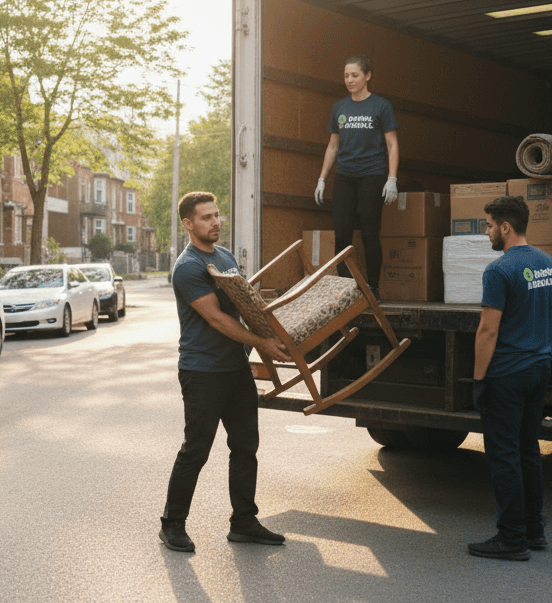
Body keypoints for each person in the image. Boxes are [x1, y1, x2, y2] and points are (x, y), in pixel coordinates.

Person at [159, 191, 294, 553]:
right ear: (188, 224)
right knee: (197, 449)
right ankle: (172, 524)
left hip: (235, 369)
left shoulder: (225, 256)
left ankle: (244, 521)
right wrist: (262, 345)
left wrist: (273, 332)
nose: (215, 222)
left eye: (216, 215)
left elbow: (245, 304)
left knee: (246, 445)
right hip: (202, 371)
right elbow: (217, 318)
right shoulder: (188, 268)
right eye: (206, 217)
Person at [468, 196, 552, 561]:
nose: (487, 231)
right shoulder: (546, 262)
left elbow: (487, 331)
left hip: (506, 374)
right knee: (528, 449)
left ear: (505, 227)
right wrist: (536, 334)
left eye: (489, 224)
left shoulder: (499, 270)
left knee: (504, 454)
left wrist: (479, 381)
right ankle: (533, 530)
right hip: (538, 369)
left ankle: (511, 538)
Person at [315, 55, 400, 294]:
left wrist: (391, 178)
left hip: (372, 174)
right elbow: (333, 145)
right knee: (342, 234)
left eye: (355, 75)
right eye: (346, 76)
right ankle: (345, 288)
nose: (349, 80)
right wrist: (322, 178)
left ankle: (373, 287)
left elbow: (392, 144)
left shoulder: (381, 106)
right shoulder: (340, 107)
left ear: (367, 76)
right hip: (344, 176)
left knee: (369, 232)